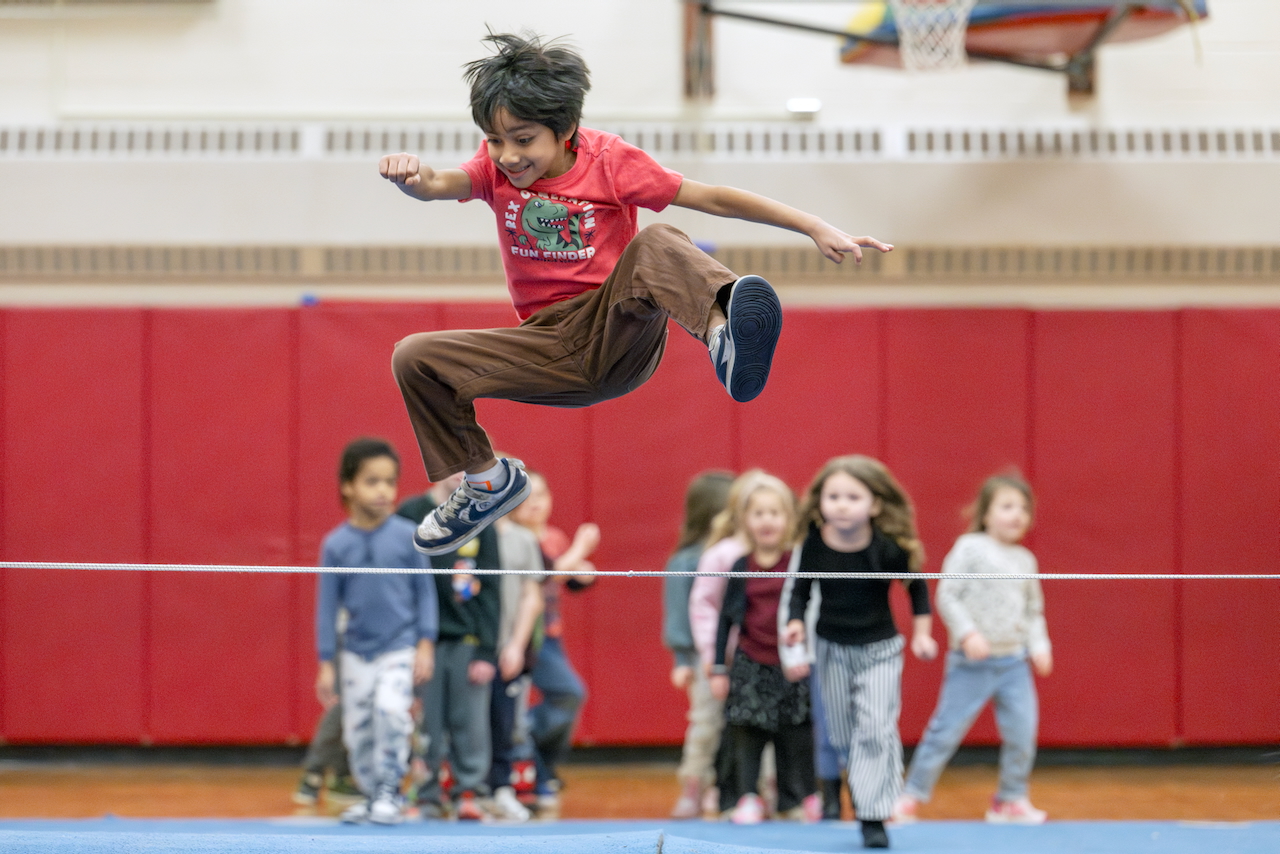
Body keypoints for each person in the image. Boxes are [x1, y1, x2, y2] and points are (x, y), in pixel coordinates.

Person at [380, 31, 893, 559]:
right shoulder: (493, 169)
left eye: (523, 139)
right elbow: (441, 183)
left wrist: (812, 225)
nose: (508, 155)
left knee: (655, 242)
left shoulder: (608, 159)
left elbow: (710, 196)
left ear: (565, 130)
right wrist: (413, 179)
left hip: (615, 325)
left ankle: (722, 334)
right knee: (414, 356)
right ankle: (488, 483)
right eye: (494, 139)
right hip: (546, 346)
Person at [780, 456, 938, 849]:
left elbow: (916, 587)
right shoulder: (814, 543)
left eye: (853, 496)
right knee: (844, 735)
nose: (842, 504)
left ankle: (873, 815)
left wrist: (922, 634)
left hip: (880, 649)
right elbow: (800, 589)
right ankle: (868, 801)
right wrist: (795, 622)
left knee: (876, 729)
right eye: (834, 496)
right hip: (831, 648)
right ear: (820, 502)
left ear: (876, 504)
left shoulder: (887, 548)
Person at [892, 474, 1052, 826]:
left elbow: (1032, 610)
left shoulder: (1026, 560)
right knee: (945, 730)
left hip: (1014, 663)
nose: (1017, 515)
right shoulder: (970, 548)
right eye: (1007, 506)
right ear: (986, 513)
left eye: (1024, 508)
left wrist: (1039, 646)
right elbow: (948, 595)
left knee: (1023, 731)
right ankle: (911, 795)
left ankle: (1010, 799)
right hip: (971, 663)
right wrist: (968, 634)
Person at [314, 438, 438, 825]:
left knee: (390, 711)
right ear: (348, 486)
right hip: (355, 653)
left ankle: (390, 790)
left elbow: (425, 592)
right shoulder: (336, 545)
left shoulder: (408, 536)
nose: (384, 490)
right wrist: (326, 663)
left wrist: (425, 643)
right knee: (358, 730)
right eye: (372, 481)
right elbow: (327, 607)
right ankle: (371, 795)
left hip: (399, 648)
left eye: (390, 481)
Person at [710, 473, 821, 825]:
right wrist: (717, 668)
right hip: (750, 663)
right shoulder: (740, 566)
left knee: (793, 735)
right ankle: (748, 796)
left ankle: (793, 798)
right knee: (747, 735)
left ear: (788, 519)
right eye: (759, 513)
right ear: (745, 521)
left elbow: (810, 610)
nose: (767, 520)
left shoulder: (799, 563)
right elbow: (725, 620)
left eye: (775, 513)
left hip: (791, 665)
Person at [396, 473, 502, 821]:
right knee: (426, 724)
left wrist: (487, 650)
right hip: (421, 643)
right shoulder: (410, 513)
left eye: (467, 464)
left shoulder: (481, 517)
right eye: (452, 462)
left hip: (467, 642)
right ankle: (425, 794)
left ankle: (469, 792)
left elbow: (491, 588)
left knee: (469, 723)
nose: (459, 471)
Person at [508, 469, 598, 814]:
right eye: (527, 496)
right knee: (567, 693)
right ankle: (533, 765)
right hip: (524, 635)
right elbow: (547, 573)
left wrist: (583, 572)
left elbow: (568, 578)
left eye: (542, 495)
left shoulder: (554, 537)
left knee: (568, 697)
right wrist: (580, 550)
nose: (535, 504)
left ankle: (537, 763)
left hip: (550, 636)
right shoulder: (514, 538)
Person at [689, 469, 776, 817]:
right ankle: (694, 785)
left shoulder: (778, 555)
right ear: (741, 512)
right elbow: (704, 604)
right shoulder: (723, 554)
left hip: (762, 657)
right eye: (756, 510)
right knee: (707, 722)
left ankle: (763, 789)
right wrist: (713, 654)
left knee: (764, 724)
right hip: (719, 657)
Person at [662, 470, 734, 819]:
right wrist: (682, 659)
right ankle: (694, 784)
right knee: (706, 723)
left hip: (746, 654)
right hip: (705, 659)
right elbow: (680, 615)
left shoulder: (742, 557)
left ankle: (749, 788)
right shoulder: (686, 561)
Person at [486, 514, 547, 822]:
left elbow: (531, 597)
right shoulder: (461, 532)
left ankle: (500, 789)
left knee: (505, 722)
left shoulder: (523, 539)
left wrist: (515, 645)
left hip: (505, 648)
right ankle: (457, 792)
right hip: (468, 645)